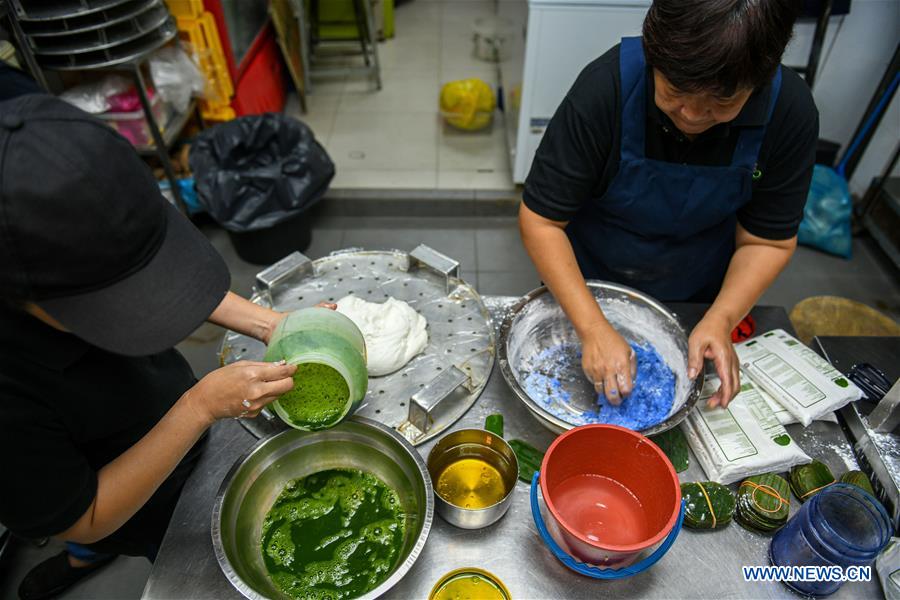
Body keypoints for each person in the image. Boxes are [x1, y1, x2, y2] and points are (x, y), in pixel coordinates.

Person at [0, 93, 316, 600]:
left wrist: (270, 323)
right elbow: (85, 514)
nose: (144, 306)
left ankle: (88, 553)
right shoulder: (11, 400)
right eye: (119, 300)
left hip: (151, 410)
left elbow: (165, 279)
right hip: (118, 495)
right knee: (113, 529)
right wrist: (197, 408)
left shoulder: (73, 187)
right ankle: (86, 554)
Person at [519, 0, 818, 408]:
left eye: (721, 103)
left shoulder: (789, 112)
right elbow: (541, 222)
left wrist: (721, 317)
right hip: (586, 286)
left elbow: (767, 241)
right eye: (674, 90)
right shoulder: (605, 89)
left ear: (759, 83)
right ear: (653, 54)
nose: (691, 115)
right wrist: (592, 327)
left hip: (698, 299)